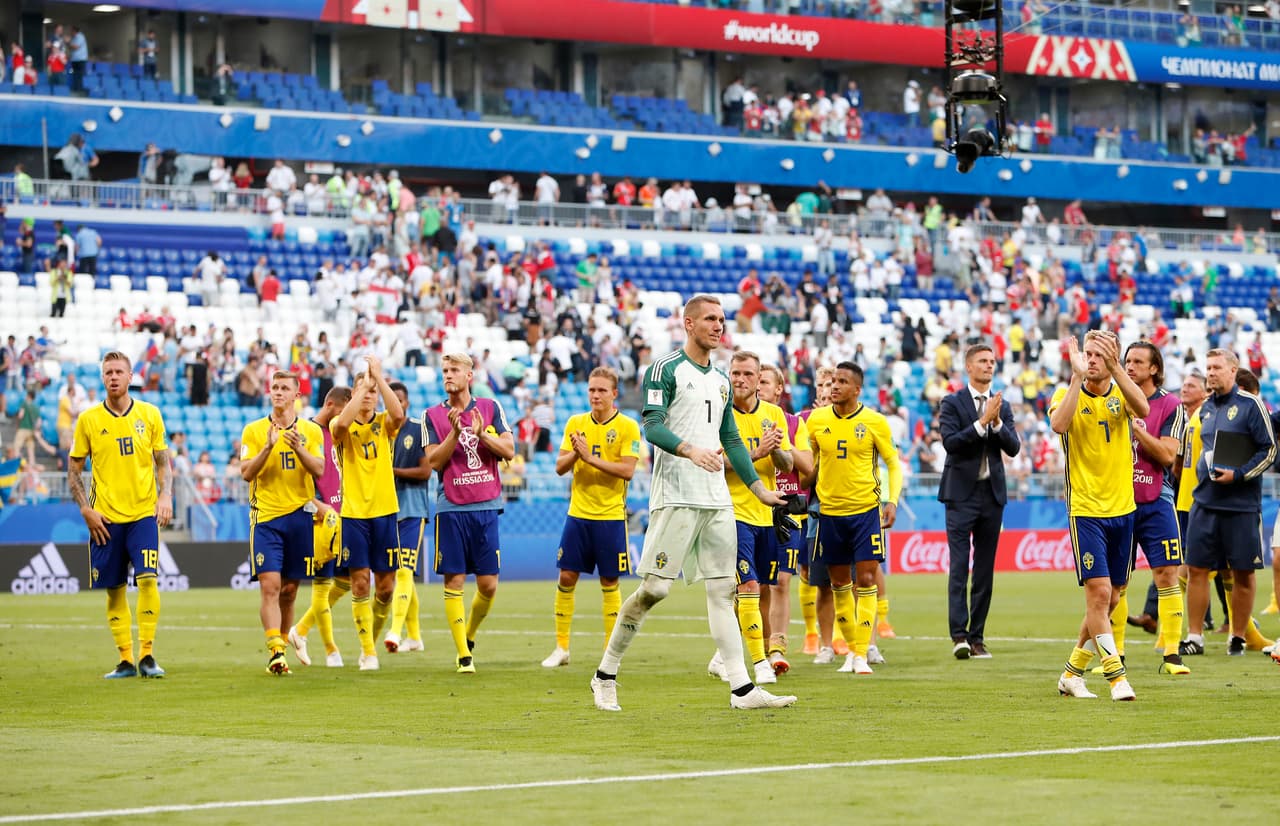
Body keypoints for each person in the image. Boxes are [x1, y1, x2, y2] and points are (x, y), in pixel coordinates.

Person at [590, 295, 795, 712]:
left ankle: (742, 689)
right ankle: (605, 674)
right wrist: (688, 450)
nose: (719, 326)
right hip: (677, 494)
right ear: (688, 323)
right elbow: (651, 424)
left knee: (724, 591)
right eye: (710, 319)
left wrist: (759, 490)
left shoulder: (720, 380)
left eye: (722, 319)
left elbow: (732, 439)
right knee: (655, 589)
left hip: (717, 499)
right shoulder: (666, 369)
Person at [1048, 332, 1146, 701]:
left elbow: (1145, 410)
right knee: (1100, 593)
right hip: (1086, 510)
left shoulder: (1123, 392)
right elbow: (1059, 425)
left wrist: (1119, 368)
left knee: (1113, 599)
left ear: (1112, 359)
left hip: (1124, 509)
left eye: (1098, 355)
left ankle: (1072, 673)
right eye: (1087, 353)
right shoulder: (1066, 393)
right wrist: (1075, 377)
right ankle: (1116, 678)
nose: (1090, 360)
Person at [67, 351, 173, 679]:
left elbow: (163, 462)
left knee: (147, 578)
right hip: (107, 518)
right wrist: (86, 508)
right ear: (103, 378)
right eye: (108, 372)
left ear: (130, 377)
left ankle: (147, 655)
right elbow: (74, 469)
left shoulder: (150, 414)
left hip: (143, 513)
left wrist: (166, 494)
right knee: (114, 588)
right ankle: (125, 660)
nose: (113, 377)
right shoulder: (88, 420)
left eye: (119, 372)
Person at [804, 362, 903, 675]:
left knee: (867, 580)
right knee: (838, 584)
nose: (834, 386)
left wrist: (892, 500)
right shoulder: (817, 420)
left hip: (865, 513)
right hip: (829, 514)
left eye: (842, 382)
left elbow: (893, 463)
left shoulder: (874, 421)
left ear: (857, 389)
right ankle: (850, 651)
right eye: (832, 381)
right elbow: (808, 464)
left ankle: (860, 652)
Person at [542, 367, 641, 668]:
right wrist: (576, 454)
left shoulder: (628, 427)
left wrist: (590, 458)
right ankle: (561, 648)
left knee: (609, 581)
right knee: (566, 577)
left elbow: (627, 470)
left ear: (614, 393)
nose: (595, 395)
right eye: (591, 390)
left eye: (601, 390)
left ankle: (610, 653)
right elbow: (560, 467)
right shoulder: (576, 423)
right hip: (578, 514)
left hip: (610, 515)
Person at [423, 353, 515, 673]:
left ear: (469, 375)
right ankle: (464, 656)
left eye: (454, 370)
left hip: (486, 505)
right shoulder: (432, 415)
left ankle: (469, 635)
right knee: (455, 579)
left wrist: (481, 434)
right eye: (445, 370)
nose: (448, 375)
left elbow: (509, 451)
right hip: (451, 506)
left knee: (488, 585)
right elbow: (434, 462)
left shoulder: (490, 408)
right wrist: (453, 432)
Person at [1181, 351, 1276, 657]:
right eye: (1208, 367)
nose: (1211, 373)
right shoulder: (1205, 409)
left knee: (1243, 572)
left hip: (1241, 506)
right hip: (1204, 502)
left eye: (1217, 367)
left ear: (1233, 370)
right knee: (1196, 569)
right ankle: (1194, 636)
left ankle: (1238, 636)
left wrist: (1238, 475)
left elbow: (1270, 450)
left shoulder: (1252, 405)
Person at [707, 351, 793, 687]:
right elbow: (717, 462)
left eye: (746, 374)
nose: (739, 379)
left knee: (763, 589)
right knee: (748, 585)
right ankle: (758, 663)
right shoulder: (720, 415)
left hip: (765, 513)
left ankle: (721, 657)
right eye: (734, 373)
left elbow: (786, 466)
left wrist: (774, 449)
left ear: (759, 380)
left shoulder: (773, 415)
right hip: (732, 512)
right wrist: (754, 453)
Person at [239, 372, 325, 675]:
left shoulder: (311, 431)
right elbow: (246, 473)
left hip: (300, 517)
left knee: (289, 590)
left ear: (295, 394)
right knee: (270, 585)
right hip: (266, 518)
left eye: (284, 388)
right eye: (274, 387)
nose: (277, 392)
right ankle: (276, 651)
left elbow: (319, 469)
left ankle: (283, 649)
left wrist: (298, 447)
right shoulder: (253, 430)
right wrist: (268, 447)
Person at [938, 344, 1020, 660]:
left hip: (992, 495)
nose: (989, 366)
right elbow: (951, 444)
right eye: (983, 361)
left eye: (992, 361)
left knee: (984, 571)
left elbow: (1013, 448)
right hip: (960, 495)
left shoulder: (1003, 406)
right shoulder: (952, 403)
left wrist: (996, 423)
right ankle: (959, 635)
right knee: (959, 566)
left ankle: (977, 638)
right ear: (969, 367)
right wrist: (981, 422)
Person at [1115, 342, 1190, 676]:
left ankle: (1172, 654)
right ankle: (1115, 653)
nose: (1130, 366)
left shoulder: (1171, 405)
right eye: (1127, 361)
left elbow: (1166, 456)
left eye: (1138, 362)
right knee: (1116, 582)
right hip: (1115, 499)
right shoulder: (1112, 397)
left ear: (1155, 369)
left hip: (1156, 498)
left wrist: (1135, 428)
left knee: (1167, 574)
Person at [330, 356, 405, 671]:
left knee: (386, 588)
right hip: (355, 513)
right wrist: (363, 385)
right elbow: (343, 425)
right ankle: (367, 652)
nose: (370, 395)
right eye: (364, 391)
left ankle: (369, 642)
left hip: (385, 510)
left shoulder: (384, 424)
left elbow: (398, 414)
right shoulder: (340, 426)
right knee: (360, 583)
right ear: (354, 393)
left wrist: (379, 379)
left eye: (374, 392)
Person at [288, 386, 352, 668]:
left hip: (342, 515)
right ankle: (331, 650)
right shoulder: (307, 431)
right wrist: (318, 505)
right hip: (317, 516)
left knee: (347, 581)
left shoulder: (340, 432)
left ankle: (300, 631)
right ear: (330, 405)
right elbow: (296, 481)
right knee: (322, 584)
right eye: (342, 412)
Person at [756, 363, 813, 675]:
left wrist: (783, 445)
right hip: (751, 508)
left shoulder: (792, 423)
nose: (759, 386)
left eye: (765, 381)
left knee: (780, 581)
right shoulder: (739, 418)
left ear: (779, 389)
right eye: (757, 380)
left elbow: (809, 467)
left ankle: (777, 647)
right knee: (754, 585)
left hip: (788, 511)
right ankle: (758, 645)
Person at [384, 381, 429, 655]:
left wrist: (393, 472)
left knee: (404, 570)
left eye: (399, 399)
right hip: (387, 510)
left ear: (407, 403)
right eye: (391, 399)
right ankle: (414, 637)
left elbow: (425, 472)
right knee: (401, 574)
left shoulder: (417, 429)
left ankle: (395, 630)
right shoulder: (381, 430)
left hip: (412, 509)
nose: (396, 404)